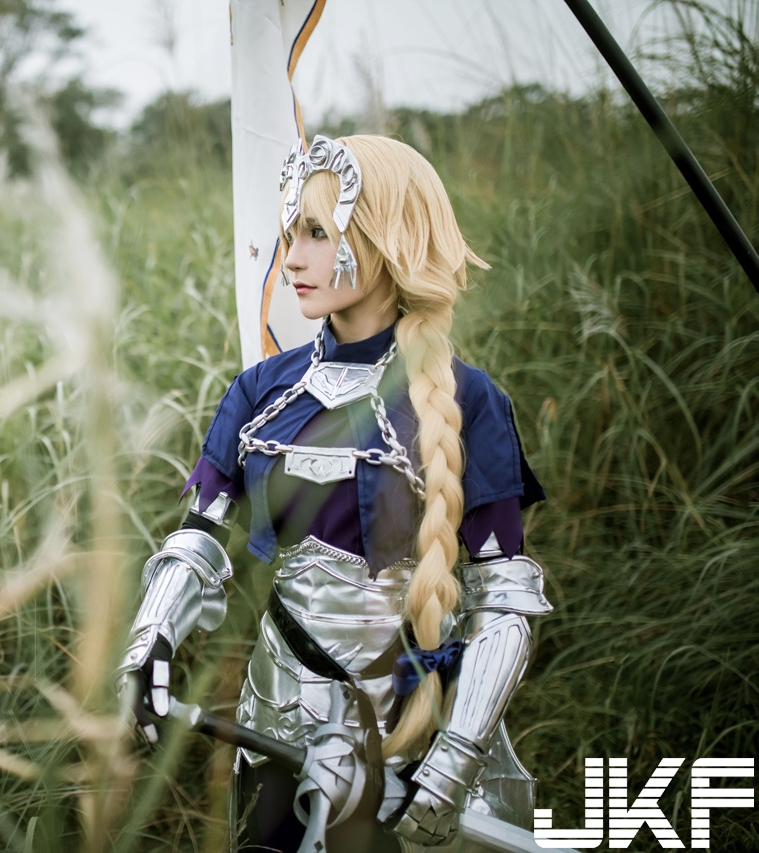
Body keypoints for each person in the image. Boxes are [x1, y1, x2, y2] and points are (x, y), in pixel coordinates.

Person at [117, 134, 552, 852]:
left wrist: (457, 756)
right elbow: (199, 536)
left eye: (317, 233)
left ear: (388, 238)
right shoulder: (260, 391)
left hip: (410, 744)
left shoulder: (470, 400)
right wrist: (150, 637)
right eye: (291, 233)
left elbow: (502, 600)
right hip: (274, 725)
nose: (292, 258)